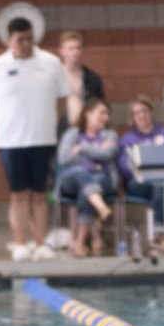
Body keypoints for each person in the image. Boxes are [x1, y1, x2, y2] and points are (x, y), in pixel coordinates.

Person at [0, 16, 69, 262]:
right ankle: (20, 244)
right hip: (10, 142)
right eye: (20, 40)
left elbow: (61, 99)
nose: (26, 44)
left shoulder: (51, 62)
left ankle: (40, 244)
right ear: (9, 40)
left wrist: (48, 122)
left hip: (43, 139)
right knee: (19, 194)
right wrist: (0, 126)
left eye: (30, 38)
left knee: (39, 194)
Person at [57, 97, 118, 258]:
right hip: (71, 181)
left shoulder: (109, 134)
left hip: (101, 179)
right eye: (102, 112)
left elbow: (109, 153)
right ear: (88, 114)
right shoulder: (72, 134)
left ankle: (80, 243)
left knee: (88, 187)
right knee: (80, 172)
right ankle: (101, 208)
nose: (106, 117)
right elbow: (63, 158)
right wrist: (95, 154)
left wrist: (81, 148)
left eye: (108, 113)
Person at [118, 95, 164, 227]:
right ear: (132, 117)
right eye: (137, 112)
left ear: (152, 112)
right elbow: (124, 167)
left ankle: (158, 232)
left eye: (144, 110)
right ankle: (160, 233)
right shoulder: (127, 139)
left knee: (160, 185)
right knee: (160, 185)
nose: (141, 115)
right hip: (138, 183)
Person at [57, 30, 104, 133]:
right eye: (70, 48)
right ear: (62, 51)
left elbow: (99, 107)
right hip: (60, 129)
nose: (75, 52)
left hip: (85, 131)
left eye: (78, 48)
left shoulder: (92, 78)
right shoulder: (54, 77)